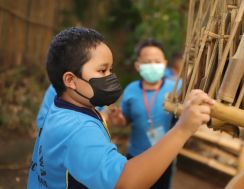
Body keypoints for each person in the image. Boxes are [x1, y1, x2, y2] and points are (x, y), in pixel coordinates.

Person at [27, 27, 214, 189]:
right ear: (70, 80)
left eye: (110, 69)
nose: (110, 77)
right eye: (102, 70)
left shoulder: (59, 107)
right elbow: (126, 182)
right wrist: (183, 129)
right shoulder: (79, 130)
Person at [108, 39, 176, 189]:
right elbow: (125, 120)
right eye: (148, 61)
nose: (153, 65)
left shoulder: (176, 89)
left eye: (157, 61)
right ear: (138, 65)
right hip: (136, 155)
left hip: (164, 157)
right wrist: (119, 119)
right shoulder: (131, 90)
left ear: (164, 64)